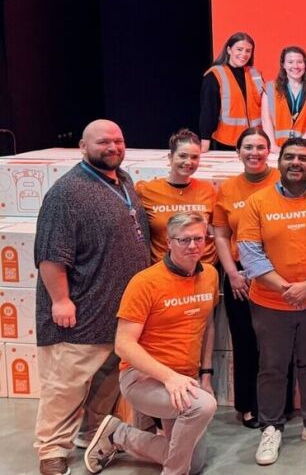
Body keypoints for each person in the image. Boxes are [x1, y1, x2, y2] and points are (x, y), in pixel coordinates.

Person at [32, 120, 152, 475]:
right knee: (66, 384)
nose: (113, 147)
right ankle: (52, 449)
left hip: (119, 311)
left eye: (118, 140)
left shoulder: (124, 181)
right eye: (103, 142)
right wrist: (61, 300)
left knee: (108, 382)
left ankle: (93, 434)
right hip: (81, 310)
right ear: (83, 146)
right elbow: (50, 254)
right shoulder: (66, 192)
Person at [236, 137, 306, 465]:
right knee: (272, 366)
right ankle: (271, 427)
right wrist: (287, 288)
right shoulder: (257, 202)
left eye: (302, 157)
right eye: (289, 157)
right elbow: (250, 253)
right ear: (279, 162)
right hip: (270, 302)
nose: (296, 162)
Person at [83, 212, 220, 475]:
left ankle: (118, 435)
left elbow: (208, 326)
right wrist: (169, 377)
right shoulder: (145, 282)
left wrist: (205, 376)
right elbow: (124, 345)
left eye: (198, 239)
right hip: (143, 378)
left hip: (186, 380)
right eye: (184, 240)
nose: (192, 246)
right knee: (202, 406)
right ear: (169, 242)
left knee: (193, 464)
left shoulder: (210, 275)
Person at [211, 127, 283, 430]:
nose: (254, 153)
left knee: (278, 344)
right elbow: (221, 235)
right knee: (245, 342)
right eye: (248, 147)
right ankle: (249, 405)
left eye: (260, 147)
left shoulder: (282, 181)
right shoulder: (228, 189)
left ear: (269, 151)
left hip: (277, 273)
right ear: (238, 152)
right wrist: (232, 273)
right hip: (240, 275)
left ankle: (277, 405)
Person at [135, 129, 216, 263]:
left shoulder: (208, 190)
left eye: (194, 157)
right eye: (182, 156)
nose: (188, 162)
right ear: (170, 157)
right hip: (163, 269)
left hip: (204, 268)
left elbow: (220, 233)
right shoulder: (146, 190)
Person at [199, 31, 264, 152]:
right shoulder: (215, 74)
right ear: (229, 50)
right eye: (239, 49)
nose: (244, 54)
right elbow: (209, 110)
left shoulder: (255, 74)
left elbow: (265, 108)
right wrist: (205, 140)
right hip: (226, 142)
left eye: (248, 51)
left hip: (254, 140)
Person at [261, 46, 306, 148]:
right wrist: (272, 146)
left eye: (300, 62)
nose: (295, 66)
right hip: (277, 148)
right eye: (290, 62)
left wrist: (301, 144)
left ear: (305, 64)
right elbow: (266, 119)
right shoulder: (270, 89)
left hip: (305, 148)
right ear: (283, 65)